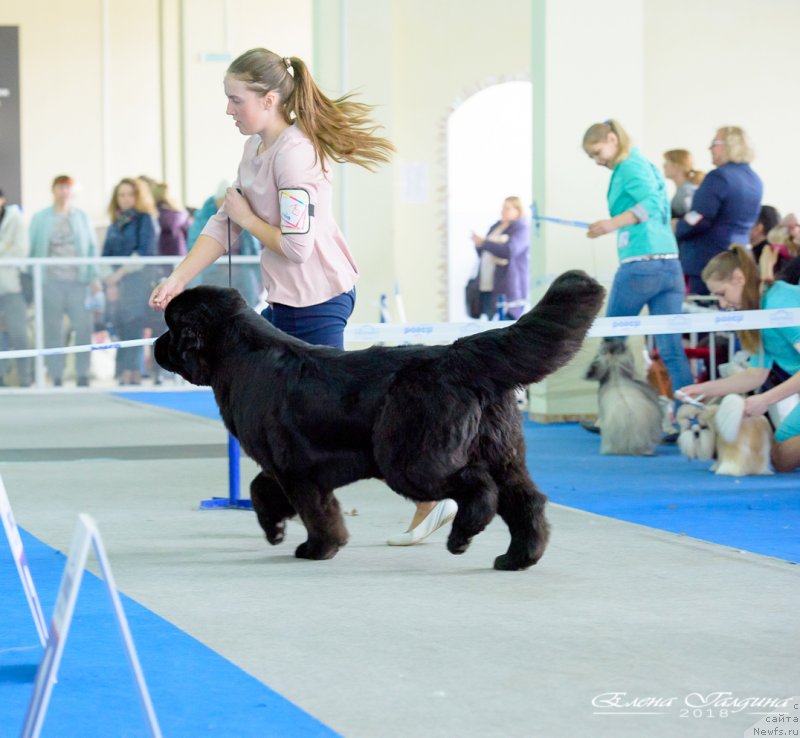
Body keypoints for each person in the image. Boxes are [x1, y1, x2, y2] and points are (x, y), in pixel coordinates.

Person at [147, 48, 453, 541]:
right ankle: (308, 504)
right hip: (286, 299)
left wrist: (247, 220)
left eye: (235, 100)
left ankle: (431, 493)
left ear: (269, 99)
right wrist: (179, 278)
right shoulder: (254, 150)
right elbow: (223, 224)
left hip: (319, 296)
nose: (229, 110)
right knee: (289, 417)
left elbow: (296, 246)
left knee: (337, 416)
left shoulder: (296, 154)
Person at [582, 119, 694, 400]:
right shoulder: (645, 165)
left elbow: (651, 205)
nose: (596, 161)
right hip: (670, 265)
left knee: (612, 343)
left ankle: (611, 417)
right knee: (671, 350)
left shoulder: (628, 167)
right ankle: (690, 419)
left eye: (597, 152)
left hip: (640, 265)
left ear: (612, 139)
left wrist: (611, 224)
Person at [678, 244, 800, 473]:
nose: (722, 305)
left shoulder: (779, 303)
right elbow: (755, 374)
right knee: (781, 457)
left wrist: (765, 399)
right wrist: (702, 389)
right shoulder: (756, 313)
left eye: (722, 295)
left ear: (738, 278)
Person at [29, 175, 100, 387]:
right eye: (60, 187)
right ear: (53, 190)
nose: (64, 192)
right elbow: (32, 250)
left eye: (67, 188)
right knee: (53, 330)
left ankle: (82, 373)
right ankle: (56, 374)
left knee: (83, 328)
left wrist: (93, 277)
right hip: (50, 282)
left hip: (78, 282)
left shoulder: (81, 217)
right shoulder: (40, 218)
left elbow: (91, 249)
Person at [675, 126, 763, 295]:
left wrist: (678, 226)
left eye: (715, 143)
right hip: (739, 258)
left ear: (731, 145)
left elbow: (699, 217)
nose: (710, 148)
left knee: (702, 313)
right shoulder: (755, 180)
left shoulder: (719, 177)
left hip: (708, 262)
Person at [103, 177, 159, 385]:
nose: (125, 199)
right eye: (121, 195)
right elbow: (105, 255)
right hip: (117, 283)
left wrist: (117, 276)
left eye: (130, 194)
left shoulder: (145, 219)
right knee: (121, 324)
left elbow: (144, 253)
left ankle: (133, 370)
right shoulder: (114, 223)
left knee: (134, 323)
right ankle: (124, 370)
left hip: (139, 280)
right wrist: (110, 281)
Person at [470, 196, 530, 319]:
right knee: (490, 327)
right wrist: (478, 245)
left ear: (517, 211)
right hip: (487, 286)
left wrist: (485, 243)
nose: (503, 210)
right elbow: (484, 253)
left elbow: (509, 251)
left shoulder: (521, 229)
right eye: (503, 207)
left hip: (507, 289)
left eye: (507, 208)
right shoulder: (496, 227)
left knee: (503, 327)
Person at [0, 187, 32, 387]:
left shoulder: (15, 219)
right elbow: (10, 249)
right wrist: (6, 247)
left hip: (13, 288)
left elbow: (20, 251)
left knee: (20, 334)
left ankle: (26, 379)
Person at [662, 149, 704, 218]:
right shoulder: (684, 190)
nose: (664, 166)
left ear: (676, 166)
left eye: (666, 162)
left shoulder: (686, 191)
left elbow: (697, 216)